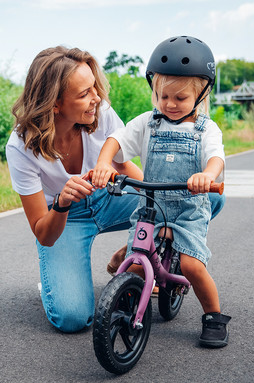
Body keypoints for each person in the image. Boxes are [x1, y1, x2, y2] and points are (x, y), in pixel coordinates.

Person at [91, 36, 231, 348]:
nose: (168, 103)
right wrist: (103, 163)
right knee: (138, 263)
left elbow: (216, 157)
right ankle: (127, 298)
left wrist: (206, 175)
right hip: (150, 208)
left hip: (188, 210)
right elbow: (117, 139)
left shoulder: (205, 129)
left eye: (179, 98)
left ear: (201, 94)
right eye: (161, 95)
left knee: (193, 265)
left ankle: (213, 316)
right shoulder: (148, 123)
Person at [5, 46, 144, 333]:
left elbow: (124, 167)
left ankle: (132, 254)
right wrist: (62, 203)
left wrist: (160, 201)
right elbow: (43, 232)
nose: (96, 99)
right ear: (54, 103)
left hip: (109, 198)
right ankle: (53, 284)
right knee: (72, 318)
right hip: (65, 219)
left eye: (94, 87)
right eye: (84, 94)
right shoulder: (20, 147)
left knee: (195, 203)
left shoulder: (100, 112)